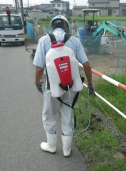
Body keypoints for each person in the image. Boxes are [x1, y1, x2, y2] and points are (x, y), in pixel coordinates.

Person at [33, 15, 95, 157]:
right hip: (71, 86)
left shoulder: (44, 40)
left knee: (49, 115)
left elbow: (39, 69)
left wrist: (37, 83)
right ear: (67, 27)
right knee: (67, 114)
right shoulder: (74, 41)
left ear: (52, 27)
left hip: (51, 86)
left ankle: (51, 146)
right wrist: (90, 85)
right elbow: (86, 65)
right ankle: (67, 150)